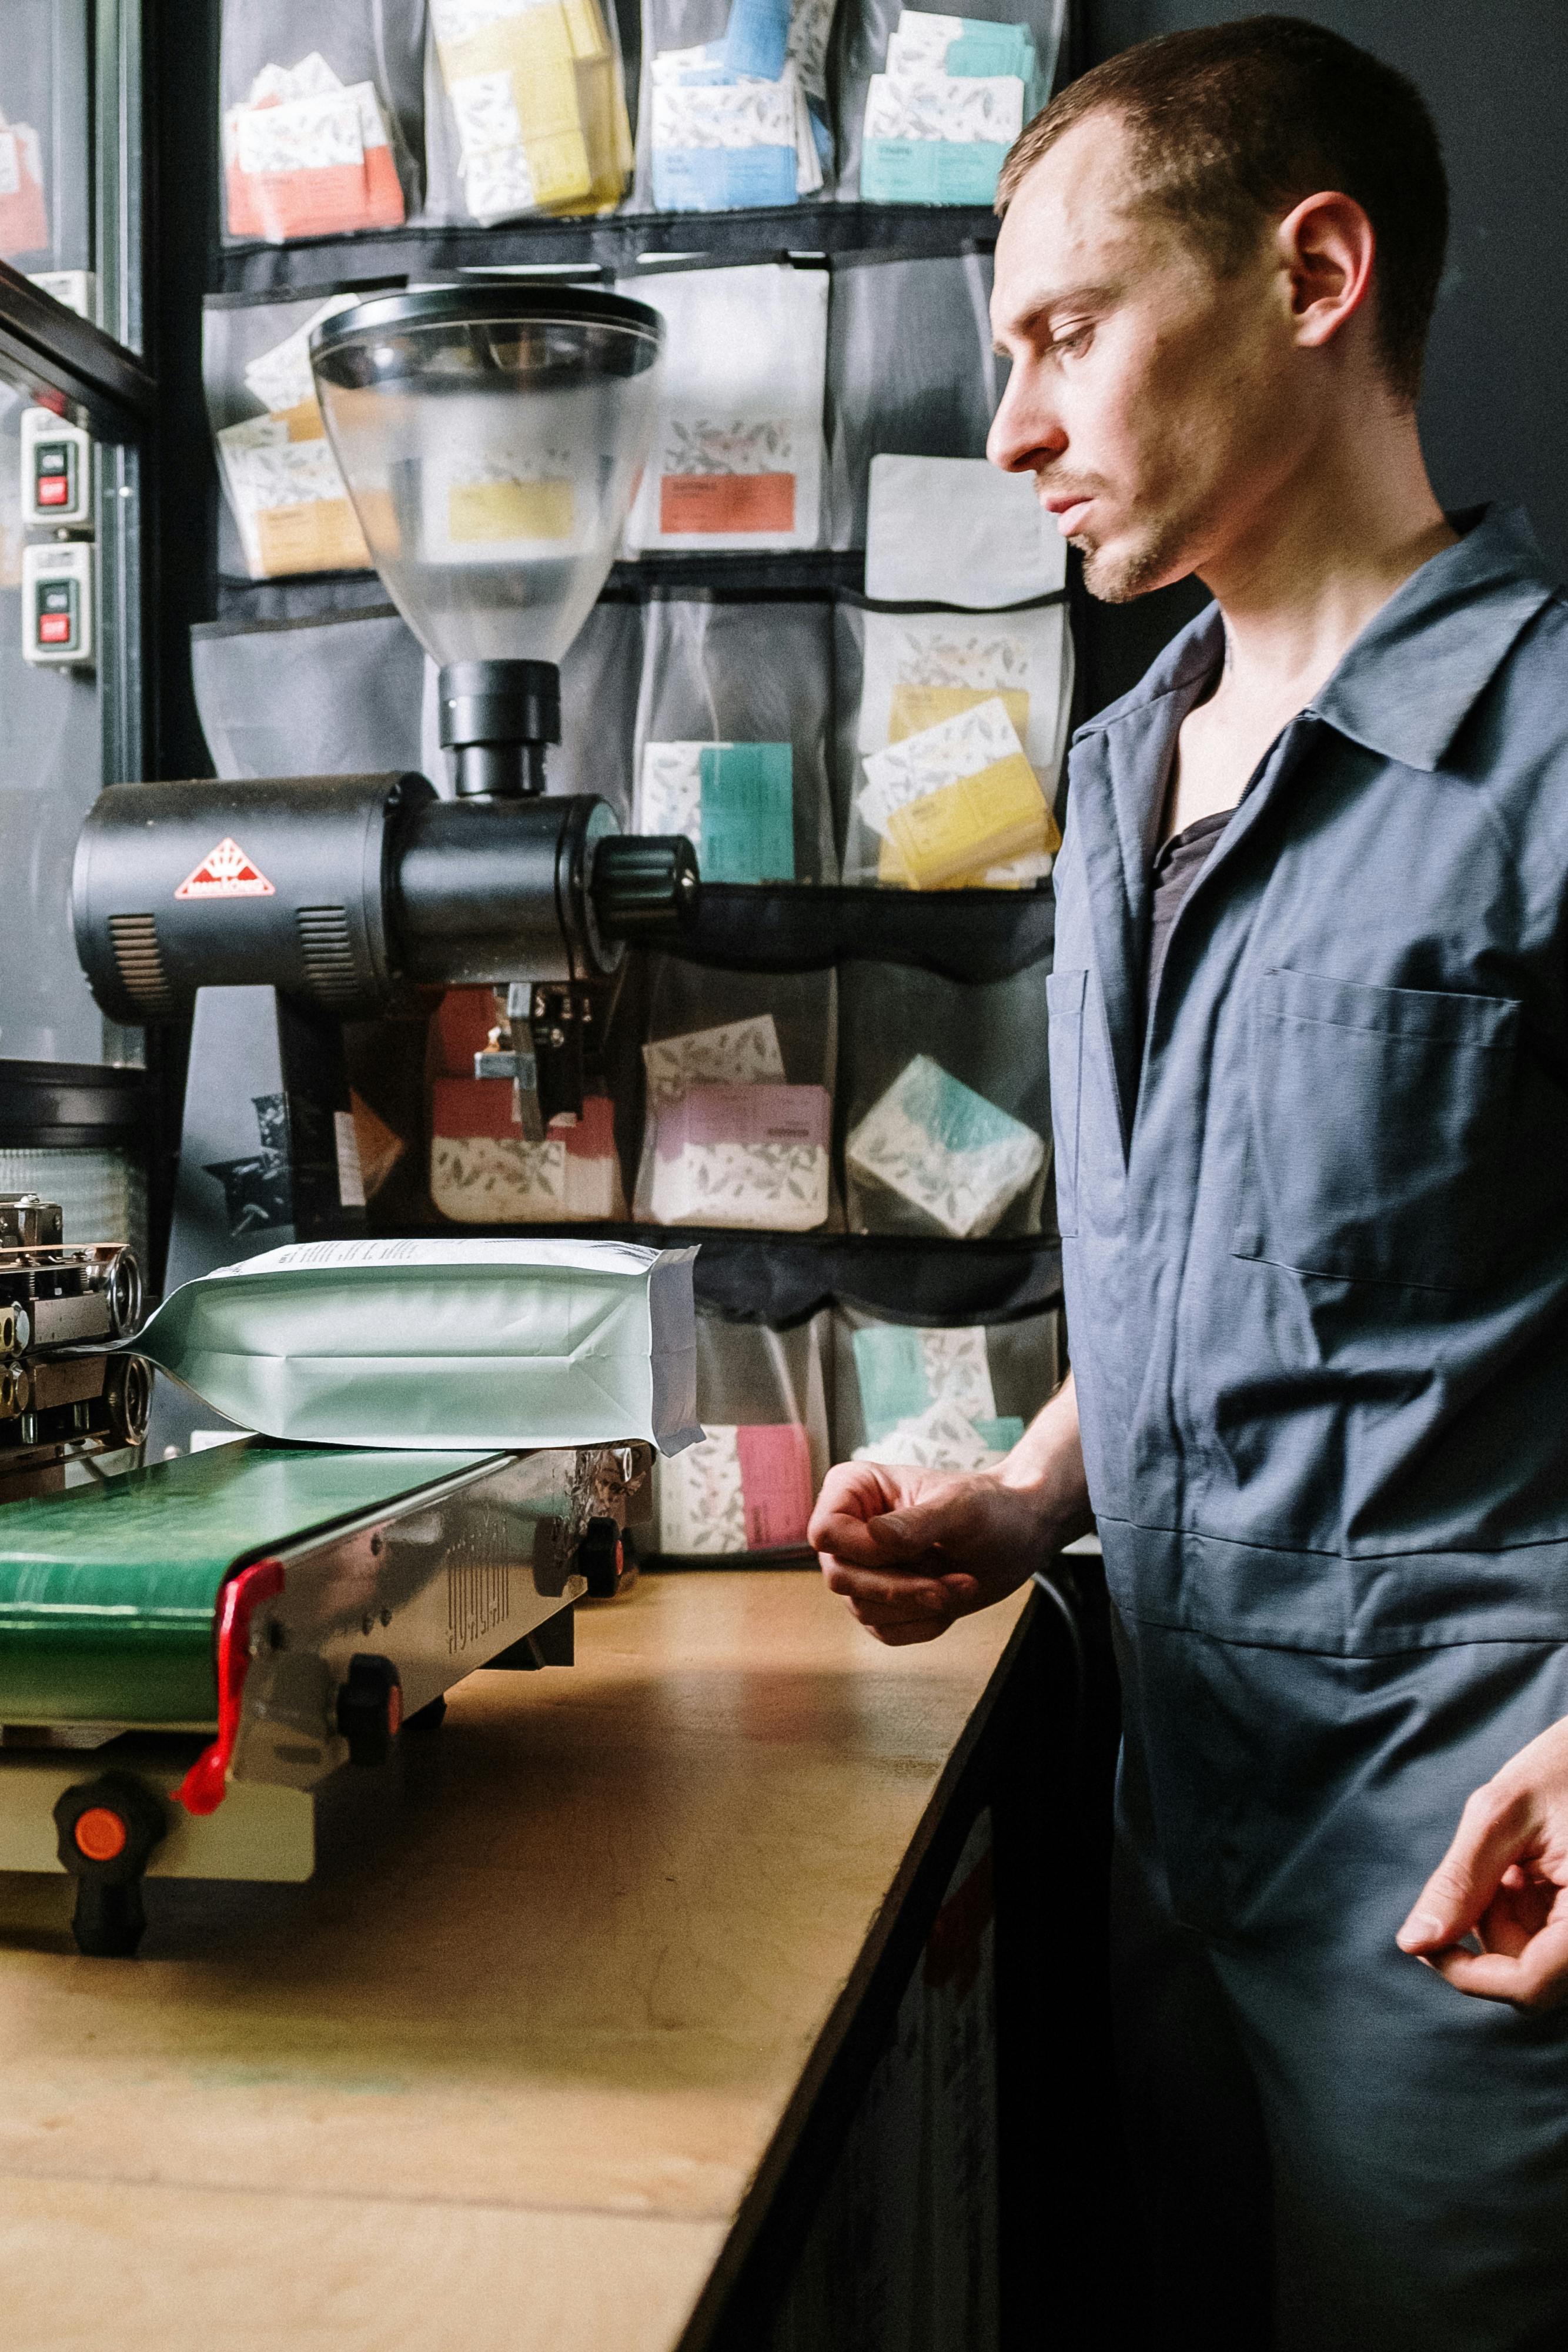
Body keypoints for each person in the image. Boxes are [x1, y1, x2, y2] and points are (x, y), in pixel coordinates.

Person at [808, 17, 1568, 2348]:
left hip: (1477, 1870)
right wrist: (1033, 1487)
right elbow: (1218, 1246)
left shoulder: (1548, 752)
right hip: (1175, 1817)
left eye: (1065, 331)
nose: (1014, 420)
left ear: (1313, 270)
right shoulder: (1120, 768)